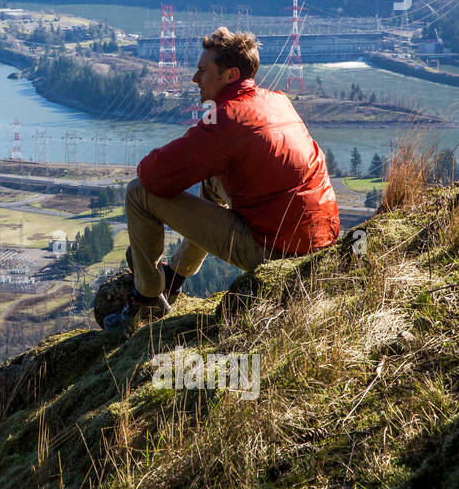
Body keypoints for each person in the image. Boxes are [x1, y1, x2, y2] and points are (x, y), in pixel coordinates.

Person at [101, 27, 340, 331]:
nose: (195, 79)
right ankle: (176, 275)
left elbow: (152, 176)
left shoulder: (226, 118)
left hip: (276, 251)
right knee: (215, 181)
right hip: (318, 239)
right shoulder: (277, 100)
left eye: (203, 71)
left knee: (138, 193)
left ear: (230, 75)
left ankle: (146, 302)